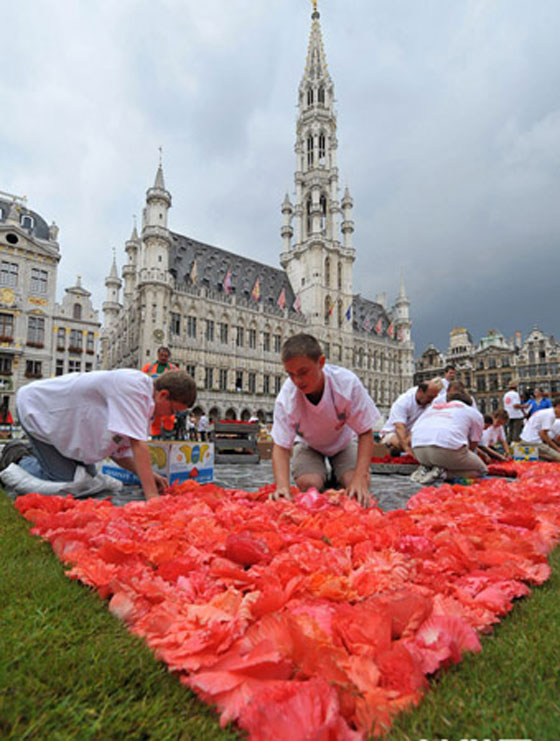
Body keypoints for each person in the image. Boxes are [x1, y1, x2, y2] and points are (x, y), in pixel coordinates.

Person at [16, 369, 196, 500]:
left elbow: (119, 452)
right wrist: (152, 497)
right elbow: (138, 445)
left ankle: (43, 457)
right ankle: (17, 458)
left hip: (67, 429)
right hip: (37, 409)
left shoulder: (145, 408)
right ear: (163, 395)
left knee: (88, 481)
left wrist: (150, 475)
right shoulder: (134, 387)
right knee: (67, 483)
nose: (169, 416)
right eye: (172, 410)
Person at [270, 333, 380, 507]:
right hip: (308, 445)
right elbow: (281, 447)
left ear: (321, 362)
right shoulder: (287, 397)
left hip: (343, 442)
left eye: (303, 372)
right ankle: (323, 474)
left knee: (355, 486)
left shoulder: (346, 383)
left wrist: (360, 477)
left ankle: (340, 474)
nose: (297, 381)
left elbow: (365, 432)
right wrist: (282, 487)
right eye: (290, 374)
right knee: (309, 484)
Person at [410, 381, 487, 484]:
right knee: (481, 470)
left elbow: (413, 431)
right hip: (444, 450)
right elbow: (474, 443)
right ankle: (442, 474)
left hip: (418, 451)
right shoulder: (472, 412)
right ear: (469, 403)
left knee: (442, 459)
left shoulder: (433, 408)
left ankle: (426, 469)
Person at [379, 379, 443, 455]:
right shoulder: (403, 401)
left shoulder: (432, 401)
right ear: (420, 391)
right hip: (393, 433)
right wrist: (407, 449)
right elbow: (399, 427)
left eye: (434, 398)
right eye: (430, 397)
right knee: (400, 442)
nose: (432, 401)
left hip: (412, 435)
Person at [142, 346, 179, 439]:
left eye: (165, 356)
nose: (163, 357)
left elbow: (180, 382)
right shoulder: (149, 367)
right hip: (153, 397)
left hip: (168, 398)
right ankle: (155, 439)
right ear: (158, 355)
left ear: (168, 357)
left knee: (169, 418)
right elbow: (140, 379)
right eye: (161, 355)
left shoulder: (173, 369)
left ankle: (168, 436)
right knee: (155, 419)